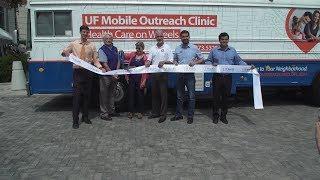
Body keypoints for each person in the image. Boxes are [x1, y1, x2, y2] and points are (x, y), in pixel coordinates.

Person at [61, 25, 105, 129]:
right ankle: (75, 121)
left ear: (88, 33)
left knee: (87, 96)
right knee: (76, 98)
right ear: (81, 32)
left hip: (88, 73)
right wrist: (64, 53)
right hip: (78, 73)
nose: (85, 34)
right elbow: (64, 52)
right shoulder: (74, 44)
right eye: (83, 32)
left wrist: (100, 67)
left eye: (87, 32)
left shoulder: (92, 46)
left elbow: (95, 59)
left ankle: (85, 117)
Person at [206, 32, 254, 124]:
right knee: (216, 97)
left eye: (226, 39)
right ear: (219, 40)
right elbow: (208, 61)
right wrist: (211, 64)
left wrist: (248, 66)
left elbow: (239, 61)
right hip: (217, 77)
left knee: (225, 97)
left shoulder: (232, 51)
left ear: (228, 40)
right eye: (222, 39)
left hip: (228, 77)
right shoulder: (214, 51)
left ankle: (223, 116)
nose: (224, 41)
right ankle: (215, 116)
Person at [171, 30, 204, 124]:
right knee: (179, 96)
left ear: (189, 37)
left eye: (186, 36)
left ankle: (190, 116)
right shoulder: (177, 48)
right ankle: (178, 115)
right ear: (180, 38)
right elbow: (174, 60)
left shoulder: (194, 48)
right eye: (183, 36)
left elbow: (202, 59)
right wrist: (175, 62)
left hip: (190, 75)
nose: (185, 38)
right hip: (180, 74)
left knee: (191, 96)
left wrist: (195, 62)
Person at [145, 29, 174, 123]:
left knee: (163, 95)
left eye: (161, 36)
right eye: (157, 36)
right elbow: (149, 59)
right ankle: (155, 113)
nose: (159, 38)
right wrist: (147, 62)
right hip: (154, 74)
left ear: (163, 36)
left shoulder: (167, 47)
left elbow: (172, 61)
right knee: (154, 94)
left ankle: (163, 114)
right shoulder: (152, 48)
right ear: (155, 37)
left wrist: (164, 62)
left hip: (163, 74)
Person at [98, 34, 120, 121]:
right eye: (106, 39)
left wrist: (117, 71)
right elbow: (104, 64)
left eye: (110, 38)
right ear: (103, 40)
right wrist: (112, 73)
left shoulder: (115, 49)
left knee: (112, 94)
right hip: (105, 76)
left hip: (114, 75)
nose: (108, 40)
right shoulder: (102, 50)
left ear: (112, 39)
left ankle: (111, 111)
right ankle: (104, 113)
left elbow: (118, 60)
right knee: (104, 95)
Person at [125, 41, 148, 119]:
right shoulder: (132, 54)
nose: (138, 49)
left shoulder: (145, 57)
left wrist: (144, 81)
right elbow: (125, 56)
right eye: (137, 48)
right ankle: (130, 111)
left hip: (140, 79)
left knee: (140, 96)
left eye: (139, 48)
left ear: (143, 48)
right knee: (131, 95)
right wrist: (121, 52)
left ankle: (140, 112)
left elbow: (146, 71)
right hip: (132, 78)